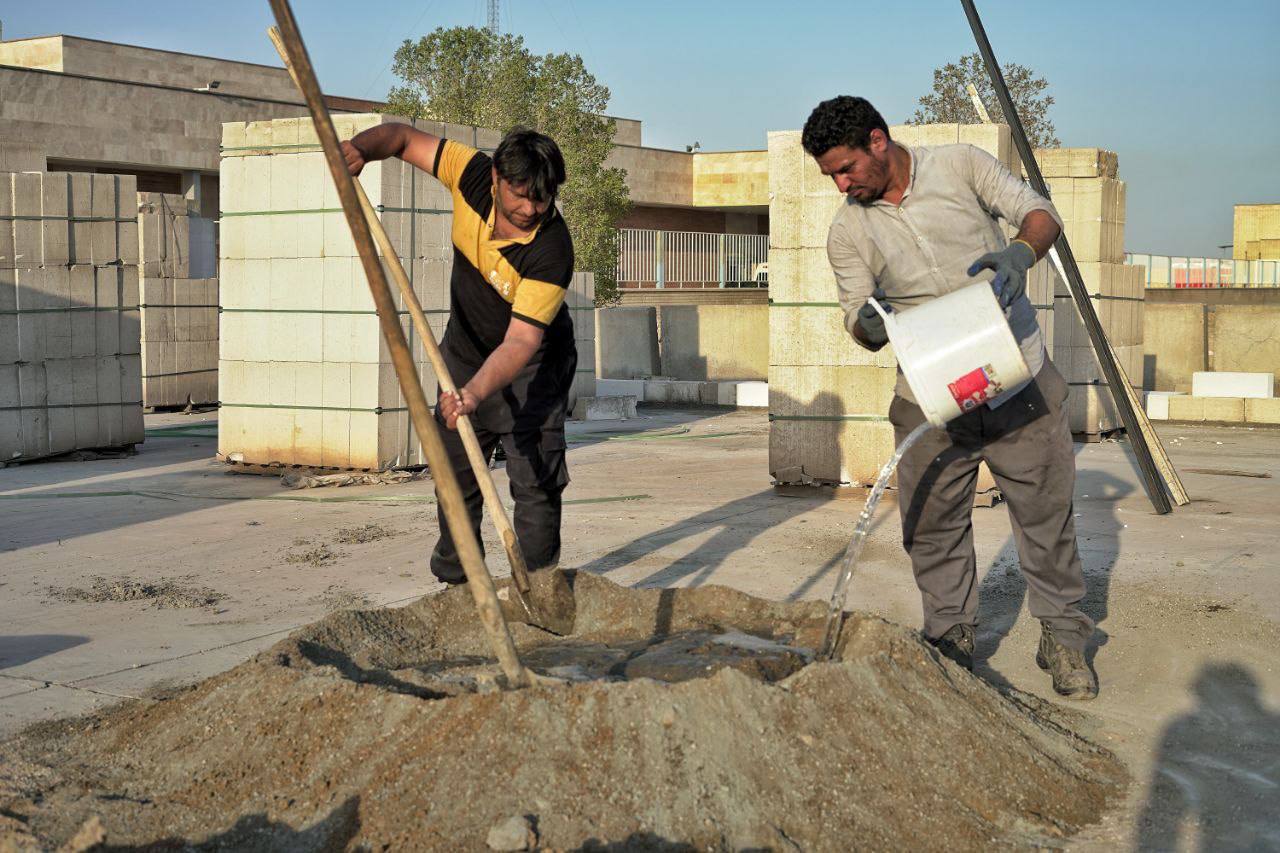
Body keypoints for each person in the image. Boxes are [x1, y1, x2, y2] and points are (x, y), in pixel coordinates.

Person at [801, 95, 1097, 699]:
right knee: (931, 521)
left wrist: (1020, 251)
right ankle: (951, 633)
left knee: (1045, 515)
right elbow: (856, 316)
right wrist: (869, 324)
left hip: (1017, 375)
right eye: (830, 174)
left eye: (846, 168)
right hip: (928, 393)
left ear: (877, 141)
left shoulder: (961, 166)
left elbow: (1040, 213)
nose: (840, 184)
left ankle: (1063, 636)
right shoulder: (847, 231)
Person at [342, 123, 576, 586]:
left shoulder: (551, 250)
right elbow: (404, 140)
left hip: (533, 374)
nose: (530, 209)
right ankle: (459, 581)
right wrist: (362, 150)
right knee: (455, 477)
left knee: (535, 484)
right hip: (465, 356)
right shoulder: (470, 174)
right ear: (495, 178)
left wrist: (472, 394)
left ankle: (537, 586)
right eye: (520, 195)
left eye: (542, 199)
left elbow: (520, 343)